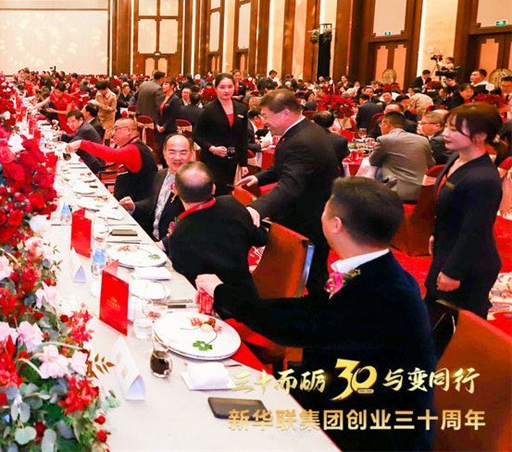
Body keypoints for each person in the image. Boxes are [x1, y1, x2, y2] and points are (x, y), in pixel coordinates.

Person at [196, 178, 435, 452]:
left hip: (369, 429)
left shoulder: (385, 292)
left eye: (326, 207)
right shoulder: (373, 268)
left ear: (336, 225)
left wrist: (223, 294)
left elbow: (300, 326)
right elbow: (312, 311)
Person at [236, 89, 339, 296]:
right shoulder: (301, 131)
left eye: (266, 116)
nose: (264, 122)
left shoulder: (302, 140)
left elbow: (291, 185)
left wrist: (257, 208)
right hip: (306, 211)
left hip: (307, 217)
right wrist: (259, 178)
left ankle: (320, 308)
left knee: (312, 274)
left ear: (284, 113)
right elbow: (284, 166)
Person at [426, 103, 503, 317]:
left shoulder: (483, 179)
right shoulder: (456, 158)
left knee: (456, 324)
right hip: (447, 248)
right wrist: (436, 234)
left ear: (480, 135)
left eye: (453, 129)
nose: (445, 133)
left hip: (469, 264)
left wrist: (454, 271)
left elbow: (475, 230)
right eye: (446, 127)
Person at [169, 162, 266, 293]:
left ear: (175, 190)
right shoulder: (232, 203)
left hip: (206, 298)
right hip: (245, 290)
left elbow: (184, 277)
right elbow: (261, 238)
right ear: (213, 189)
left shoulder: (179, 234)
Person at [119, 132, 194, 242]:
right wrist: (133, 206)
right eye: (172, 152)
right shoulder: (160, 174)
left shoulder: (195, 183)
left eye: (183, 153)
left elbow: (193, 225)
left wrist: (162, 245)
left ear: (191, 155)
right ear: (164, 153)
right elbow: (153, 203)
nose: (177, 157)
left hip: (173, 245)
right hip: (150, 238)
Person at [67, 117, 157, 202]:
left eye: (116, 129)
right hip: (126, 200)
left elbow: (112, 154)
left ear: (128, 130)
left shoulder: (134, 149)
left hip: (135, 206)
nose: (112, 134)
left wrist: (81, 143)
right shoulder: (133, 146)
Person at [193, 73, 249, 195]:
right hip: (212, 160)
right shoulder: (208, 109)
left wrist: (243, 163)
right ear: (216, 89)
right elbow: (196, 135)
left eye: (230, 87)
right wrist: (212, 148)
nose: (226, 90)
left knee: (226, 192)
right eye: (222, 87)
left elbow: (243, 137)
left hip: (231, 159)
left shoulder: (242, 109)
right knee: (211, 192)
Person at [368, 111, 433, 203]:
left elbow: (373, 161)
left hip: (396, 191)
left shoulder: (385, 139)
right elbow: (431, 163)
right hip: (422, 191)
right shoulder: (423, 140)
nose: (380, 127)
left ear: (387, 123)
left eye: (381, 124)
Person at [312, 111, 349, 175]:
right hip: (335, 175)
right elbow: (345, 156)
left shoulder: (306, 138)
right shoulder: (340, 140)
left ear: (314, 123)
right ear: (332, 123)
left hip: (310, 175)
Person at [155, 77, 183, 145]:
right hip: (159, 127)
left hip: (169, 129)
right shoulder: (162, 97)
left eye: (166, 84)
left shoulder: (175, 99)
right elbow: (158, 112)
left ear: (172, 86)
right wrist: (157, 124)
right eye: (163, 84)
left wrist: (164, 127)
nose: (163, 86)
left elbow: (173, 116)